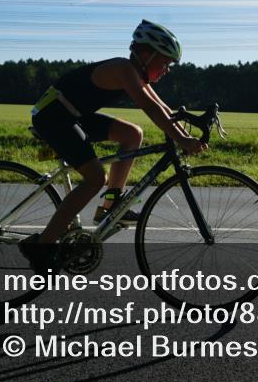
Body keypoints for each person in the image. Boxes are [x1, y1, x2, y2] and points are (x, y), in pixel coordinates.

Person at [20, 19, 206, 270]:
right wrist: (182, 139)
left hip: (73, 113)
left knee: (132, 134)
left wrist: (185, 133)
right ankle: (42, 246)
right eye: (165, 62)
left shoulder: (137, 74)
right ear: (146, 54)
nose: (167, 69)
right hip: (54, 116)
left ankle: (110, 205)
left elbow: (163, 108)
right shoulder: (123, 69)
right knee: (95, 177)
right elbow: (149, 107)